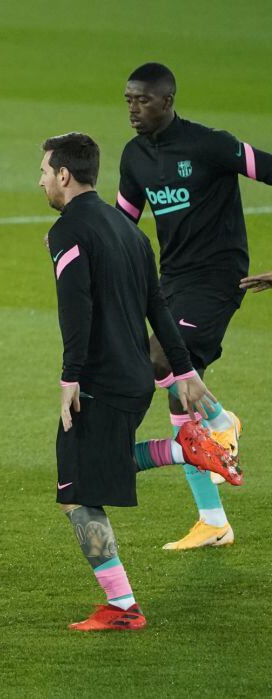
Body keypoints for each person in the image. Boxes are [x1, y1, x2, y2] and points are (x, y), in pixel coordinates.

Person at [40, 133, 240, 632]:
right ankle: (184, 450)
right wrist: (184, 371)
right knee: (102, 468)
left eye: (44, 171)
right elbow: (158, 306)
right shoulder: (132, 233)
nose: (41, 179)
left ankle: (123, 607)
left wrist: (71, 378)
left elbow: (76, 306)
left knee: (78, 494)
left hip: (99, 383)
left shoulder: (67, 230)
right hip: (133, 379)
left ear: (65, 175)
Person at [117, 62, 272, 549]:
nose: (133, 109)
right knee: (177, 393)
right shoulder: (135, 156)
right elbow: (125, 225)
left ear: (167, 100)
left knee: (162, 358)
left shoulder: (211, 144)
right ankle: (213, 521)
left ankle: (224, 421)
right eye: (127, 100)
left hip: (221, 277)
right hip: (173, 281)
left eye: (142, 100)